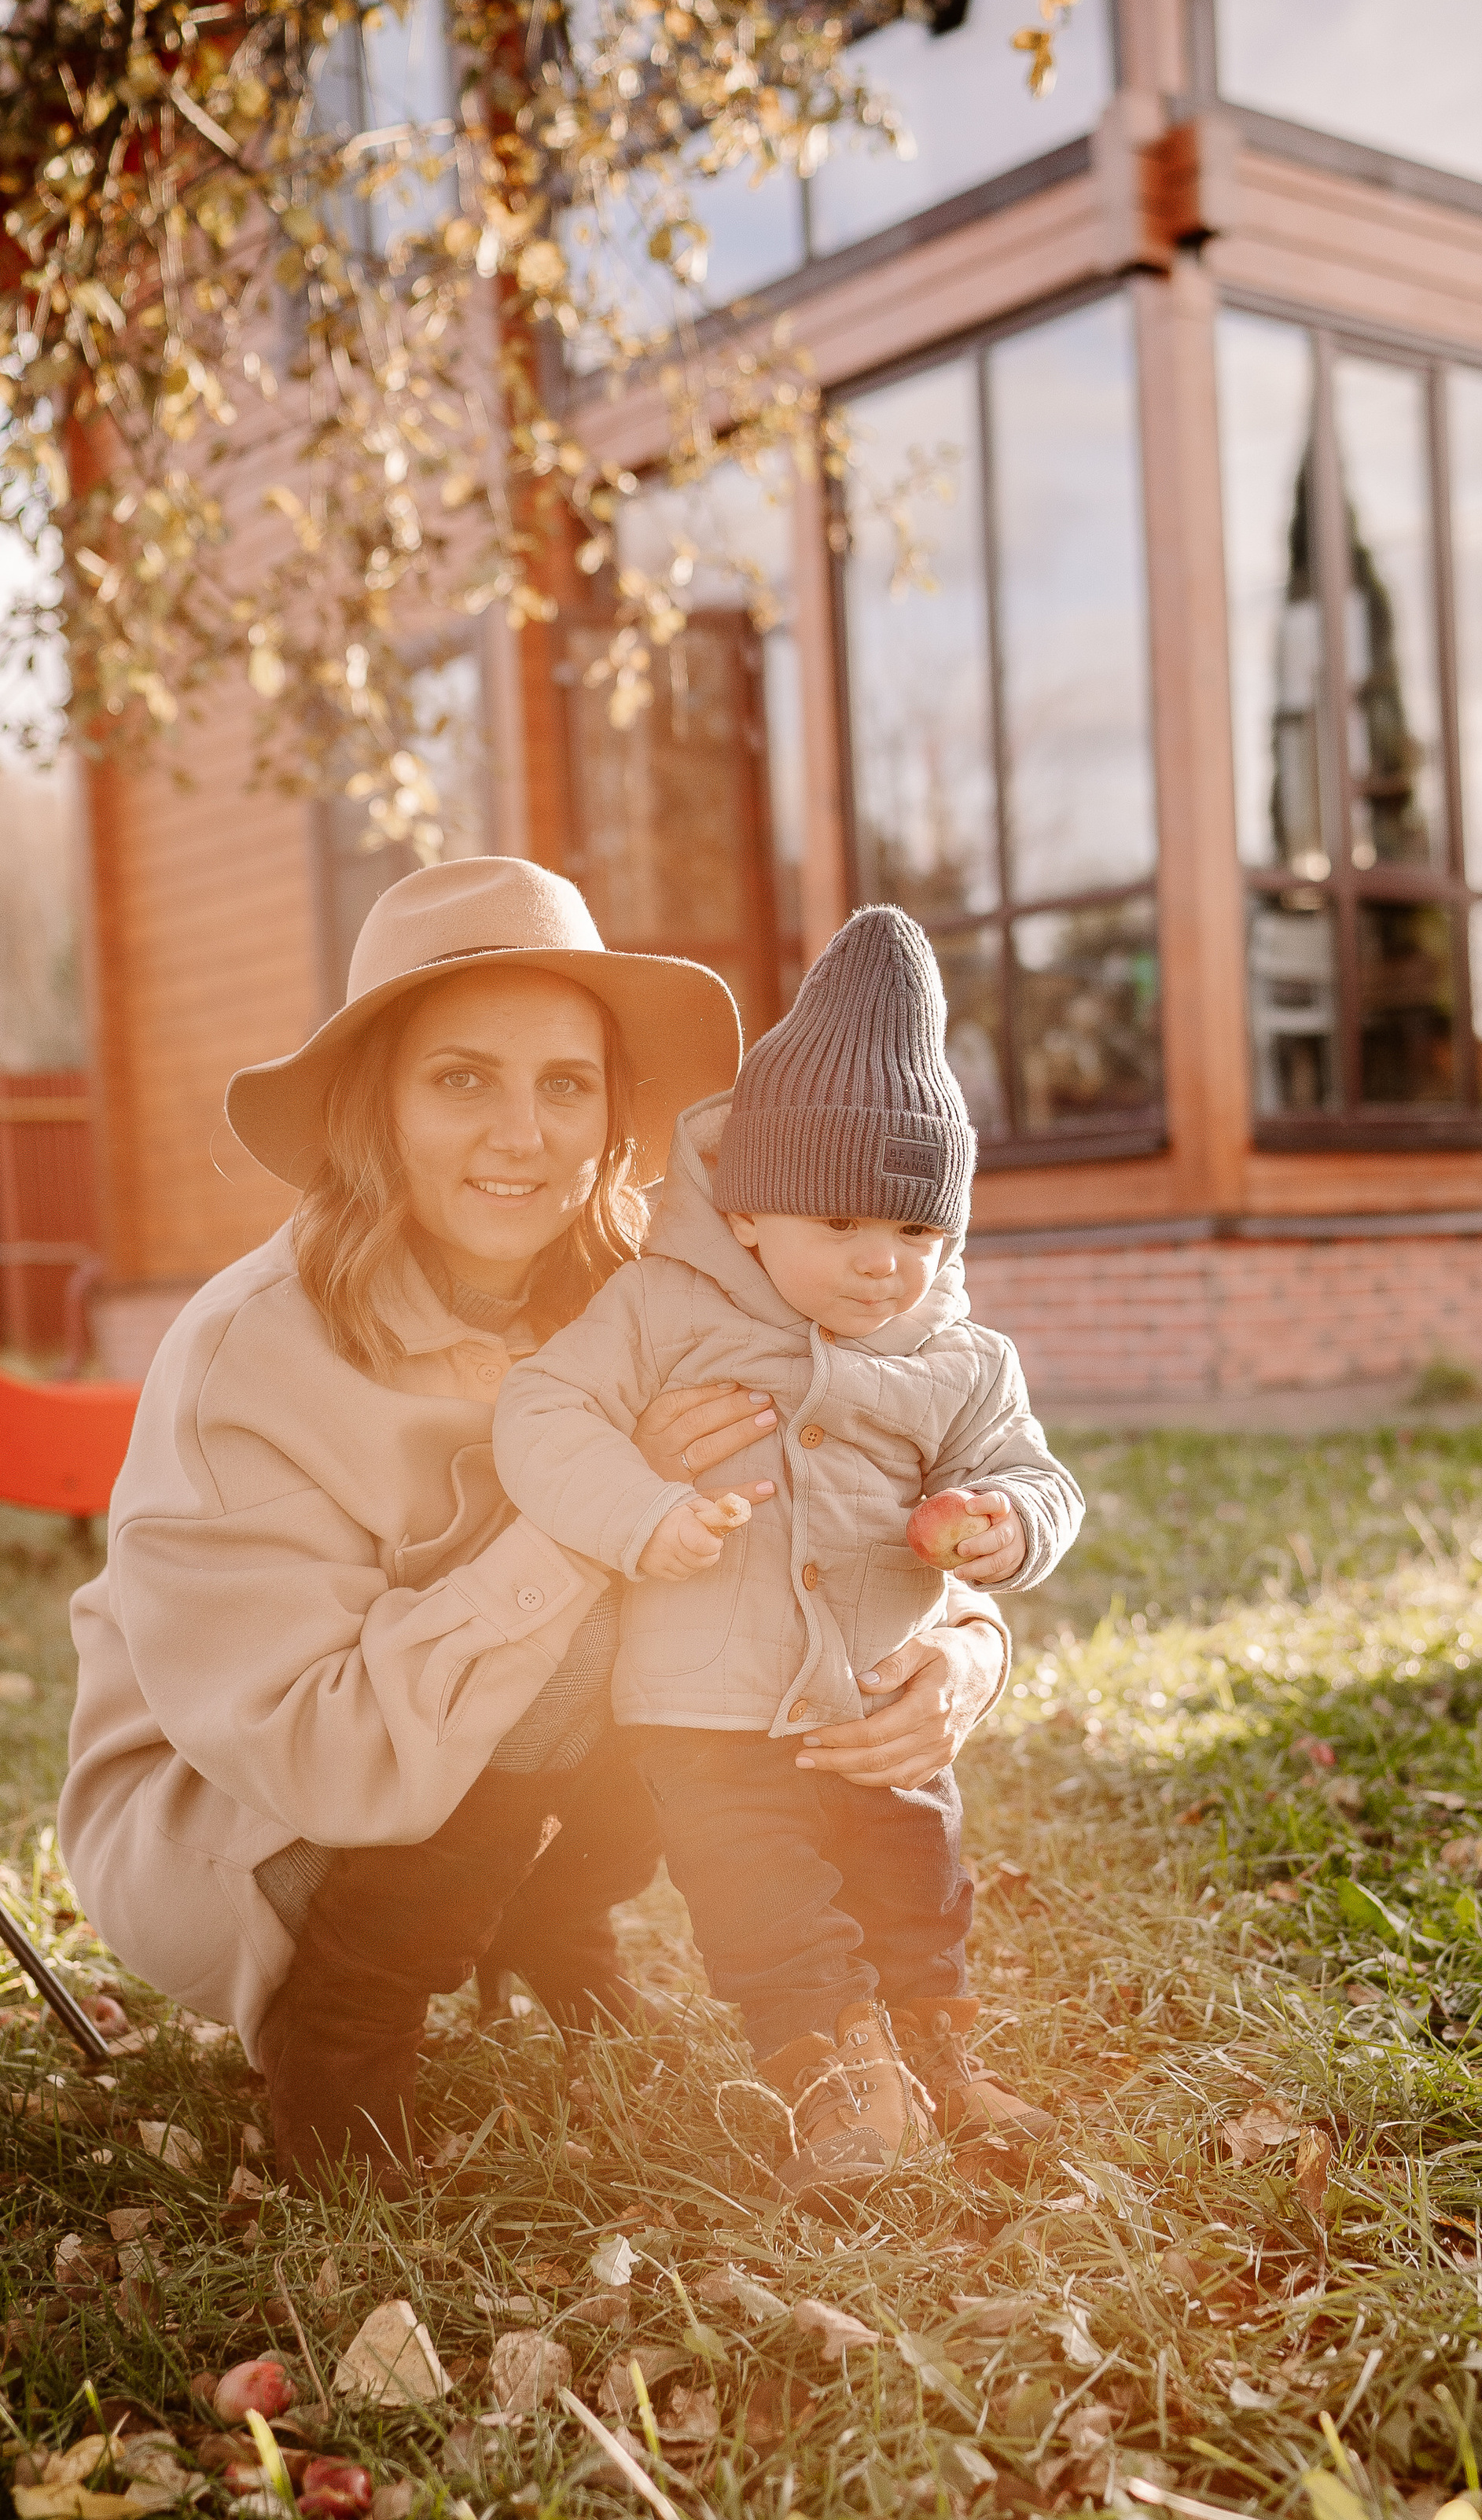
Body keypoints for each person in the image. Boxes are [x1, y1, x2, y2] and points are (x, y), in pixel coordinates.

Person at [58, 857, 1017, 2190]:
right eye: (462, 1080)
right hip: (247, 1821)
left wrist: (962, 1652)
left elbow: (854, 1477)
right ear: (373, 1107)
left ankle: (560, 1931)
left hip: (477, 1768)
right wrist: (592, 1517)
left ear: (614, 1114)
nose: (525, 1135)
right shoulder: (244, 1355)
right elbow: (319, 1749)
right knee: (602, 1609)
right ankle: (343, 2036)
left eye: (564, 1085)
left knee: (717, 1608)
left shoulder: (659, 1296)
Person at [495, 905, 1083, 2195]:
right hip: (706, 1705)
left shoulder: (957, 1357)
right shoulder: (662, 1307)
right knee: (766, 1902)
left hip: (874, 1689)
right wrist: (643, 1511)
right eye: (843, 1229)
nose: (883, 1268)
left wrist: (1003, 1524)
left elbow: (1032, 1468)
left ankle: (933, 2045)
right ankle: (831, 2070)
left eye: (917, 1235)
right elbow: (539, 1414)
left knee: (914, 1878)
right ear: (751, 1211)